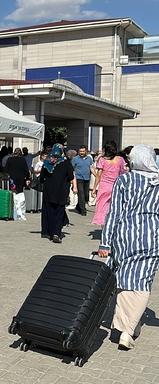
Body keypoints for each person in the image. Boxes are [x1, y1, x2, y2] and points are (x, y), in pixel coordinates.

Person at [98, 144, 159, 350]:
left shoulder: (124, 180)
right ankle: (127, 330)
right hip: (152, 236)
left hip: (125, 235)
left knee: (124, 280)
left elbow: (113, 213)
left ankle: (124, 326)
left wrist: (105, 242)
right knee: (142, 282)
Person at [40, 144, 75, 243]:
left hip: (48, 190)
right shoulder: (66, 163)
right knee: (59, 212)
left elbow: (42, 177)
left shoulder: (47, 162)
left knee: (48, 211)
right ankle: (56, 233)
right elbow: (70, 176)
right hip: (61, 190)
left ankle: (47, 232)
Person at [92, 141, 127, 227]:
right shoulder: (120, 159)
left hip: (104, 187)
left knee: (102, 207)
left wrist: (94, 189)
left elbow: (98, 175)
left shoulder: (102, 160)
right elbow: (123, 173)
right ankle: (114, 227)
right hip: (116, 186)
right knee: (116, 207)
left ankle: (104, 230)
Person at [4, 148, 31, 220]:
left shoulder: (10, 159)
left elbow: (5, 170)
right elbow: (26, 170)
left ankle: (12, 210)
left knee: (12, 193)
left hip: (11, 179)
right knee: (19, 193)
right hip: (20, 179)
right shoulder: (23, 160)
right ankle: (19, 211)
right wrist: (27, 178)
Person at [71, 145, 95, 216]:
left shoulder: (89, 159)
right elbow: (72, 169)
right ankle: (83, 210)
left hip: (87, 179)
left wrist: (96, 175)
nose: (82, 152)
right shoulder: (75, 159)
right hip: (78, 179)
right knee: (81, 194)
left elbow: (91, 168)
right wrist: (72, 179)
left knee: (86, 196)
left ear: (86, 152)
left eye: (83, 151)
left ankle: (78, 206)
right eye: (80, 151)